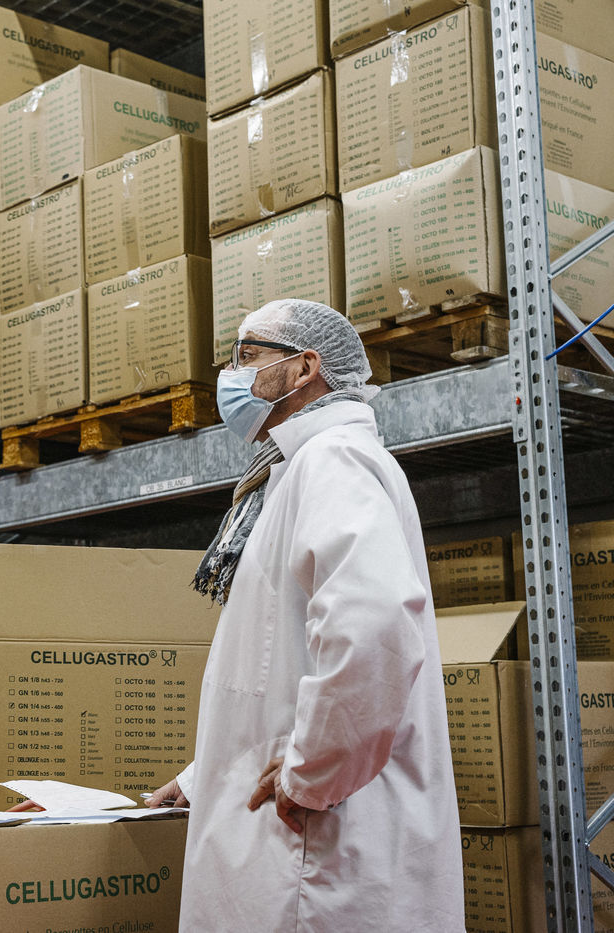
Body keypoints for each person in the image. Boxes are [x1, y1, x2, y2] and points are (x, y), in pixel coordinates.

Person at [147, 299, 464, 931]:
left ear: (303, 369)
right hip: (301, 820)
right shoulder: (296, 470)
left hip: (320, 845)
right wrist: (207, 774)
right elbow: (278, 668)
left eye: (247, 356)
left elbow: (374, 626)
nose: (230, 376)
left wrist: (310, 776)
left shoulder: (333, 459)